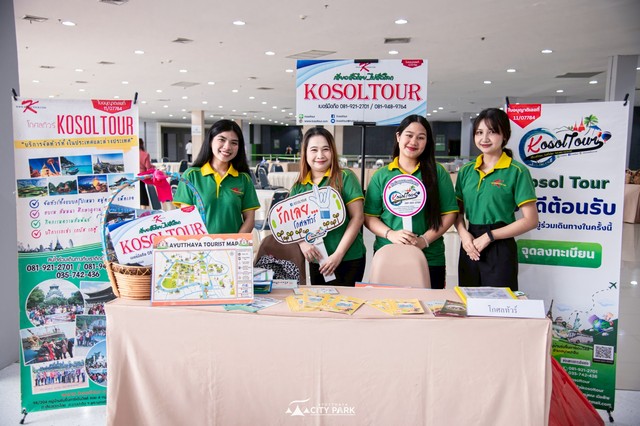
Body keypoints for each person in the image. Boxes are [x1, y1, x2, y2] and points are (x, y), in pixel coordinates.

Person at [364, 115, 458, 289]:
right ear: (398, 136)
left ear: (427, 142)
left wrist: (424, 240)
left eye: (421, 137)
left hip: (430, 257)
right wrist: (390, 234)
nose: (413, 142)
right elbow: (369, 216)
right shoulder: (381, 175)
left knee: (429, 303)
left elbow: (450, 213)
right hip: (388, 255)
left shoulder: (438, 173)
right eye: (409, 135)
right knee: (387, 303)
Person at [454, 108, 538, 291]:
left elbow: (531, 220)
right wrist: (463, 235)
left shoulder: (517, 171)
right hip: (470, 244)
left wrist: (490, 236)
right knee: (469, 300)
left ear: (505, 135)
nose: (484, 138)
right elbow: (457, 212)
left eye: (492, 132)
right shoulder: (466, 171)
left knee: (500, 302)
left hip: (501, 244)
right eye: (479, 132)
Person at [290, 127, 367, 286]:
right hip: (317, 259)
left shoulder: (345, 177)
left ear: (333, 151)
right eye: (314, 150)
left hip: (349, 258)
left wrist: (338, 254)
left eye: (326, 149)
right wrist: (302, 243)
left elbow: (358, 217)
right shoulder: (299, 187)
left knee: (346, 301)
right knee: (320, 300)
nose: (320, 155)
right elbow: (292, 224)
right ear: (305, 153)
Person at [173, 119, 259, 234]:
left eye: (234, 143)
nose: (227, 147)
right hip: (200, 244)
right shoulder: (191, 176)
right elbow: (186, 219)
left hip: (234, 244)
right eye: (222, 140)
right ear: (210, 141)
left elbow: (249, 219)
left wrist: (236, 242)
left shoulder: (244, 179)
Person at [139, 138, 153, 208]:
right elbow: (148, 167)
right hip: (142, 177)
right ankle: (143, 211)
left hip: (133, 178)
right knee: (143, 197)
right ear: (142, 144)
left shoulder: (131, 154)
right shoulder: (145, 154)